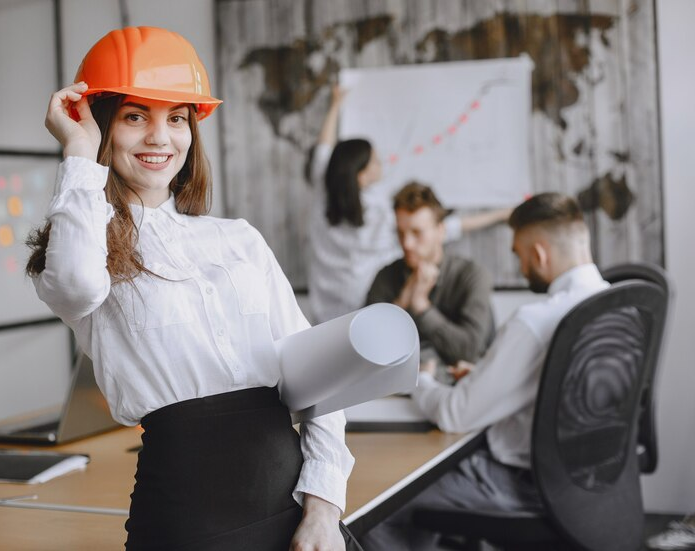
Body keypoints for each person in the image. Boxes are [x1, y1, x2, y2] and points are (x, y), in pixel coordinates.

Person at [26, 27, 360, 551]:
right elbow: (73, 285)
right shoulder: (83, 247)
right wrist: (77, 153)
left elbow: (317, 377)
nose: (160, 137)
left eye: (176, 118)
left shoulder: (238, 240)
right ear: (104, 123)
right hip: (189, 519)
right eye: (136, 116)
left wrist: (323, 507)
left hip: (297, 508)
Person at [360, 192, 610, 550]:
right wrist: (488, 375)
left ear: (538, 254)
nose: (521, 267)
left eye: (519, 255)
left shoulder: (534, 323)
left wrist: (422, 380)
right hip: (588, 485)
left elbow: (454, 413)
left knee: (382, 500)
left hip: (523, 484)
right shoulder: (617, 306)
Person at [307, 86, 510, 325]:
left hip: (322, 306)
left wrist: (335, 104)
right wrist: (501, 214)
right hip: (362, 308)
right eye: (374, 161)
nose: (381, 162)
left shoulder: (323, 187)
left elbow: (323, 147)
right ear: (361, 176)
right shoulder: (379, 215)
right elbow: (447, 226)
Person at [365, 182, 494, 366]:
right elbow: (368, 350)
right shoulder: (385, 277)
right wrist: (402, 301)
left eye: (417, 233)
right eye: (400, 233)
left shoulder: (472, 275)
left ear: (440, 231)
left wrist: (421, 306)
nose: (407, 243)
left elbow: (469, 350)